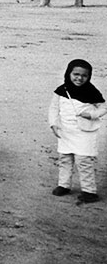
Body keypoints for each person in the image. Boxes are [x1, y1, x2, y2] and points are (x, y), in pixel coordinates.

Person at [48, 59, 107, 203]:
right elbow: (54, 108)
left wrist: (92, 115)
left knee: (83, 161)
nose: (79, 78)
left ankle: (89, 191)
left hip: (84, 132)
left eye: (84, 75)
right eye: (76, 74)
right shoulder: (62, 91)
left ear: (89, 76)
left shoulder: (92, 92)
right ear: (69, 73)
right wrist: (53, 124)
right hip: (66, 131)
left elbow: (103, 108)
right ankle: (64, 185)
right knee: (65, 158)